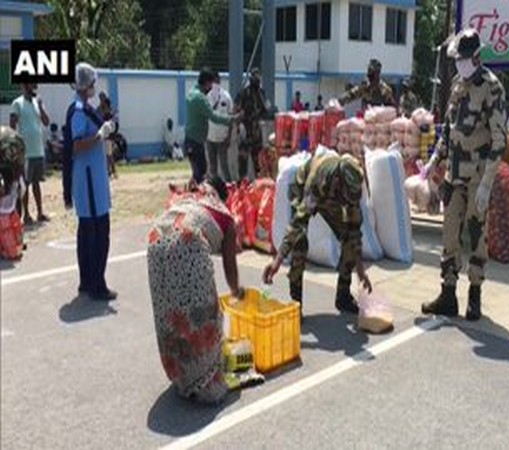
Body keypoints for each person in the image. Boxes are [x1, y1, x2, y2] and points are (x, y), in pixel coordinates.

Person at [421, 28, 507, 321]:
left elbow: (500, 140)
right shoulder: (458, 84)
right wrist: (434, 159)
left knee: (475, 233)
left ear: (477, 57)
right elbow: (448, 129)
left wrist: (487, 183)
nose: (460, 64)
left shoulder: (492, 87)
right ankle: (447, 294)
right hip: (454, 175)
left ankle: (474, 295)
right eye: (457, 60)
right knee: (449, 233)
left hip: (476, 176)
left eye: (464, 59)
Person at [147, 176, 246, 404]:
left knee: (170, 313)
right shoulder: (224, 214)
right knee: (202, 315)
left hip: (155, 240)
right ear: (222, 195)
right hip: (188, 241)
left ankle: (181, 376)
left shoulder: (187, 196)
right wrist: (236, 290)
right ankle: (205, 382)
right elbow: (229, 266)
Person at [262, 151, 372, 317]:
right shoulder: (318, 183)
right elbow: (297, 224)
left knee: (349, 239)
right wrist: (278, 260)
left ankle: (343, 297)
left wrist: (361, 271)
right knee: (299, 241)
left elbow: (354, 232)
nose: (349, 201)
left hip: (331, 195)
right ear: (337, 182)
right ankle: (295, 303)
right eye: (347, 196)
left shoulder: (351, 188)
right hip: (304, 186)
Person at [70, 62, 118, 301]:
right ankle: (97, 285)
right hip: (90, 183)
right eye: (92, 84)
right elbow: (78, 143)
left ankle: (87, 281)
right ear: (86, 84)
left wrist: (103, 114)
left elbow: (93, 119)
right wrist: (101, 134)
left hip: (92, 181)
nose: (94, 87)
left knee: (87, 233)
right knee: (98, 234)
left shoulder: (83, 108)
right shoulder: (79, 110)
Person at [185, 68, 236, 184]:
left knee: (198, 173)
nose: (212, 88)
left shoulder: (191, 93)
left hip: (193, 140)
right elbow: (213, 117)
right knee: (201, 173)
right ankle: (197, 198)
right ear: (207, 83)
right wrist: (231, 120)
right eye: (211, 84)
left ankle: (194, 195)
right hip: (197, 142)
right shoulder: (200, 98)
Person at [9, 83, 50, 225]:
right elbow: (12, 126)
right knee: (25, 185)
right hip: (25, 152)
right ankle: (26, 215)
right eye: (31, 85)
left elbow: (46, 122)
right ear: (24, 86)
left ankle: (40, 212)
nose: (34, 87)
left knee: (37, 183)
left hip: (38, 149)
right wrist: (16, 148)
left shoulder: (37, 102)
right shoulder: (17, 103)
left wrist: (41, 105)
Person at [236, 68, 268, 180]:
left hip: (256, 132)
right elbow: (237, 110)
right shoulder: (244, 93)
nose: (257, 80)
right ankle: (241, 184)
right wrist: (239, 127)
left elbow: (266, 110)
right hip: (245, 131)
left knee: (258, 161)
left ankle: (259, 183)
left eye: (259, 77)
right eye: (255, 77)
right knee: (243, 160)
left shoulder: (261, 93)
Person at [0, 126, 26, 260]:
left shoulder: (12, 175)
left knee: (14, 251)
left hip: (7, 214)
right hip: (7, 214)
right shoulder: (14, 174)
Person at [206, 72, 234, 181]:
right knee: (212, 168)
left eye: (216, 81)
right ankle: (215, 190)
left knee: (224, 166)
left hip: (223, 138)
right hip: (210, 138)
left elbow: (231, 117)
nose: (215, 84)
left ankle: (230, 190)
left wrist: (229, 137)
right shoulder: (207, 97)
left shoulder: (226, 97)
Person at [97, 92, 118, 179]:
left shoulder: (108, 110)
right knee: (108, 154)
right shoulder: (100, 108)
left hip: (108, 136)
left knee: (108, 154)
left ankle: (110, 172)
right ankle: (111, 171)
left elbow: (112, 121)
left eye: (102, 98)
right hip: (104, 135)